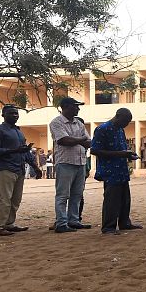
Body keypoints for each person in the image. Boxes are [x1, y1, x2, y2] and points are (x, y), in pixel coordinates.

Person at [0, 105, 41, 236]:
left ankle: (9, 223)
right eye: (12, 113)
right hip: (5, 168)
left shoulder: (18, 131)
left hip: (19, 168)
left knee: (16, 199)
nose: (15, 116)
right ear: (3, 115)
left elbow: (25, 151)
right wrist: (14, 151)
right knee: (5, 199)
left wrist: (35, 166)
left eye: (17, 113)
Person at [91, 108, 141, 234]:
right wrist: (120, 154)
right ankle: (108, 226)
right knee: (111, 199)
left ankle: (124, 223)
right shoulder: (102, 129)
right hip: (110, 170)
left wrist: (129, 155)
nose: (126, 124)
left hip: (121, 169)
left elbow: (122, 149)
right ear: (118, 116)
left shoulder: (120, 130)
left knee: (125, 199)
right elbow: (95, 150)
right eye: (125, 121)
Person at [49, 97, 91, 233]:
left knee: (77, 194)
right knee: (62, 195)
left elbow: (89, 142)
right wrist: (80, 140)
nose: (78, 109)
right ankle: (61, 223)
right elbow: (63, 140)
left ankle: (73, 220)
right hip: (65, 162)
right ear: (66, 107)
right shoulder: (56, 122)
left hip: (80, 162)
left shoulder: (79, 123)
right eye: (75, 106)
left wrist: (76, 140)